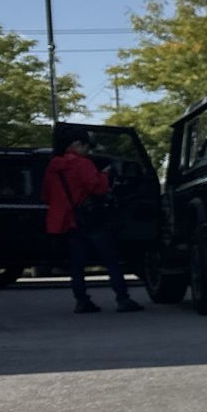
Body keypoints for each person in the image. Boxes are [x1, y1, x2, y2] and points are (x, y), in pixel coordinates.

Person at [43, 125, 143, 314]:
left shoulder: (53, 167)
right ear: (77, 144)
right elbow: (98, 188)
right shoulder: (83, 164)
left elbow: (47, 195)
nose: (87, 151)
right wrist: (105, 175)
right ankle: (122, 298)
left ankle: (81, 301)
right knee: (111, 260)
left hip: (69, 221)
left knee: (77, 264)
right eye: (86, 147)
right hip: (91, 219)